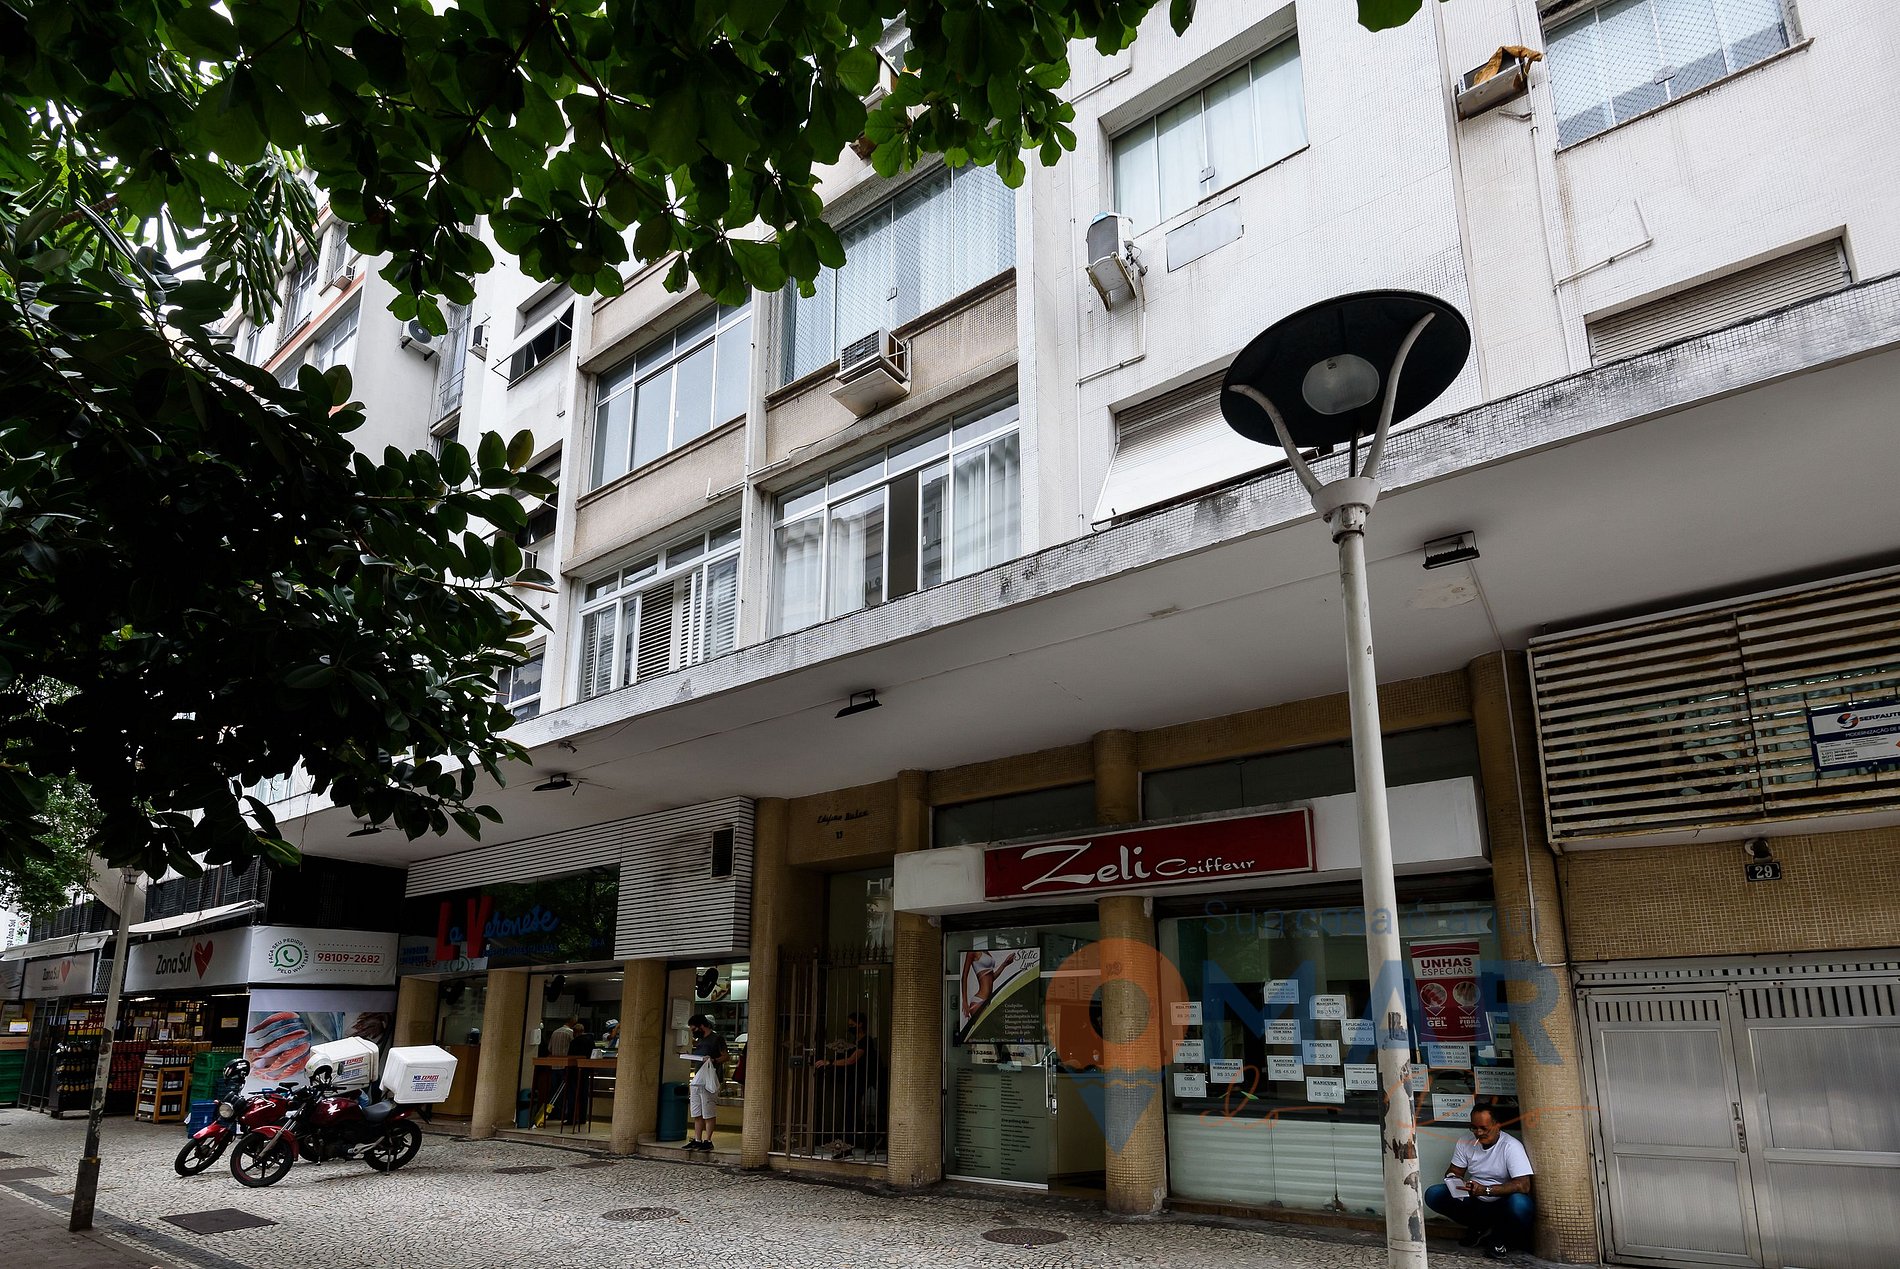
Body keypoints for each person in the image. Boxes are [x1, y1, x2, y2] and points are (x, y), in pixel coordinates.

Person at [1425, 1105, 1536, 1260]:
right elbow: (1454, 1171)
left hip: (1502, 1202)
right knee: (1434, 1194)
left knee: (1520, 1204)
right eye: (1474, 1128)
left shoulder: (1511, 1146)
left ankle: (1499, 1238)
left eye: (1484, 1128)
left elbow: (1523, 1185)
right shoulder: (1466, 1141)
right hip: (1475, 1199)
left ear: (1497, 1126)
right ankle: (1479, 1227)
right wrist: (1455, 1180)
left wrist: (1486, 1190)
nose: (1478, 1133)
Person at [812, 1011, 877, 1159]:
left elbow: (852, 1060)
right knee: (848, 1111)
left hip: (862, 1079)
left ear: (860, 1024)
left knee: (849, 1111)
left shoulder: (866, 1041)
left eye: (852, 1024)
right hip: (852, 1079)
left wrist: (830, 1062)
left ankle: (850, 1144)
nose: (850, 1027)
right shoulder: (854, 1041)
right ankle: (867, 1135)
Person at [684, 1014, 726, 1152]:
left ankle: (708, 1140)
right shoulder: (700, 1040)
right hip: (698, 1078)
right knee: (697, 1111)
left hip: (710, 1079)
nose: (693, 1032)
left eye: (694, 1029)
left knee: (708, 1111)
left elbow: (726, 1056)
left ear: (701, 1026)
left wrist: (713, 1060)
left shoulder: (717, 1038)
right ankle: (697, 1139)